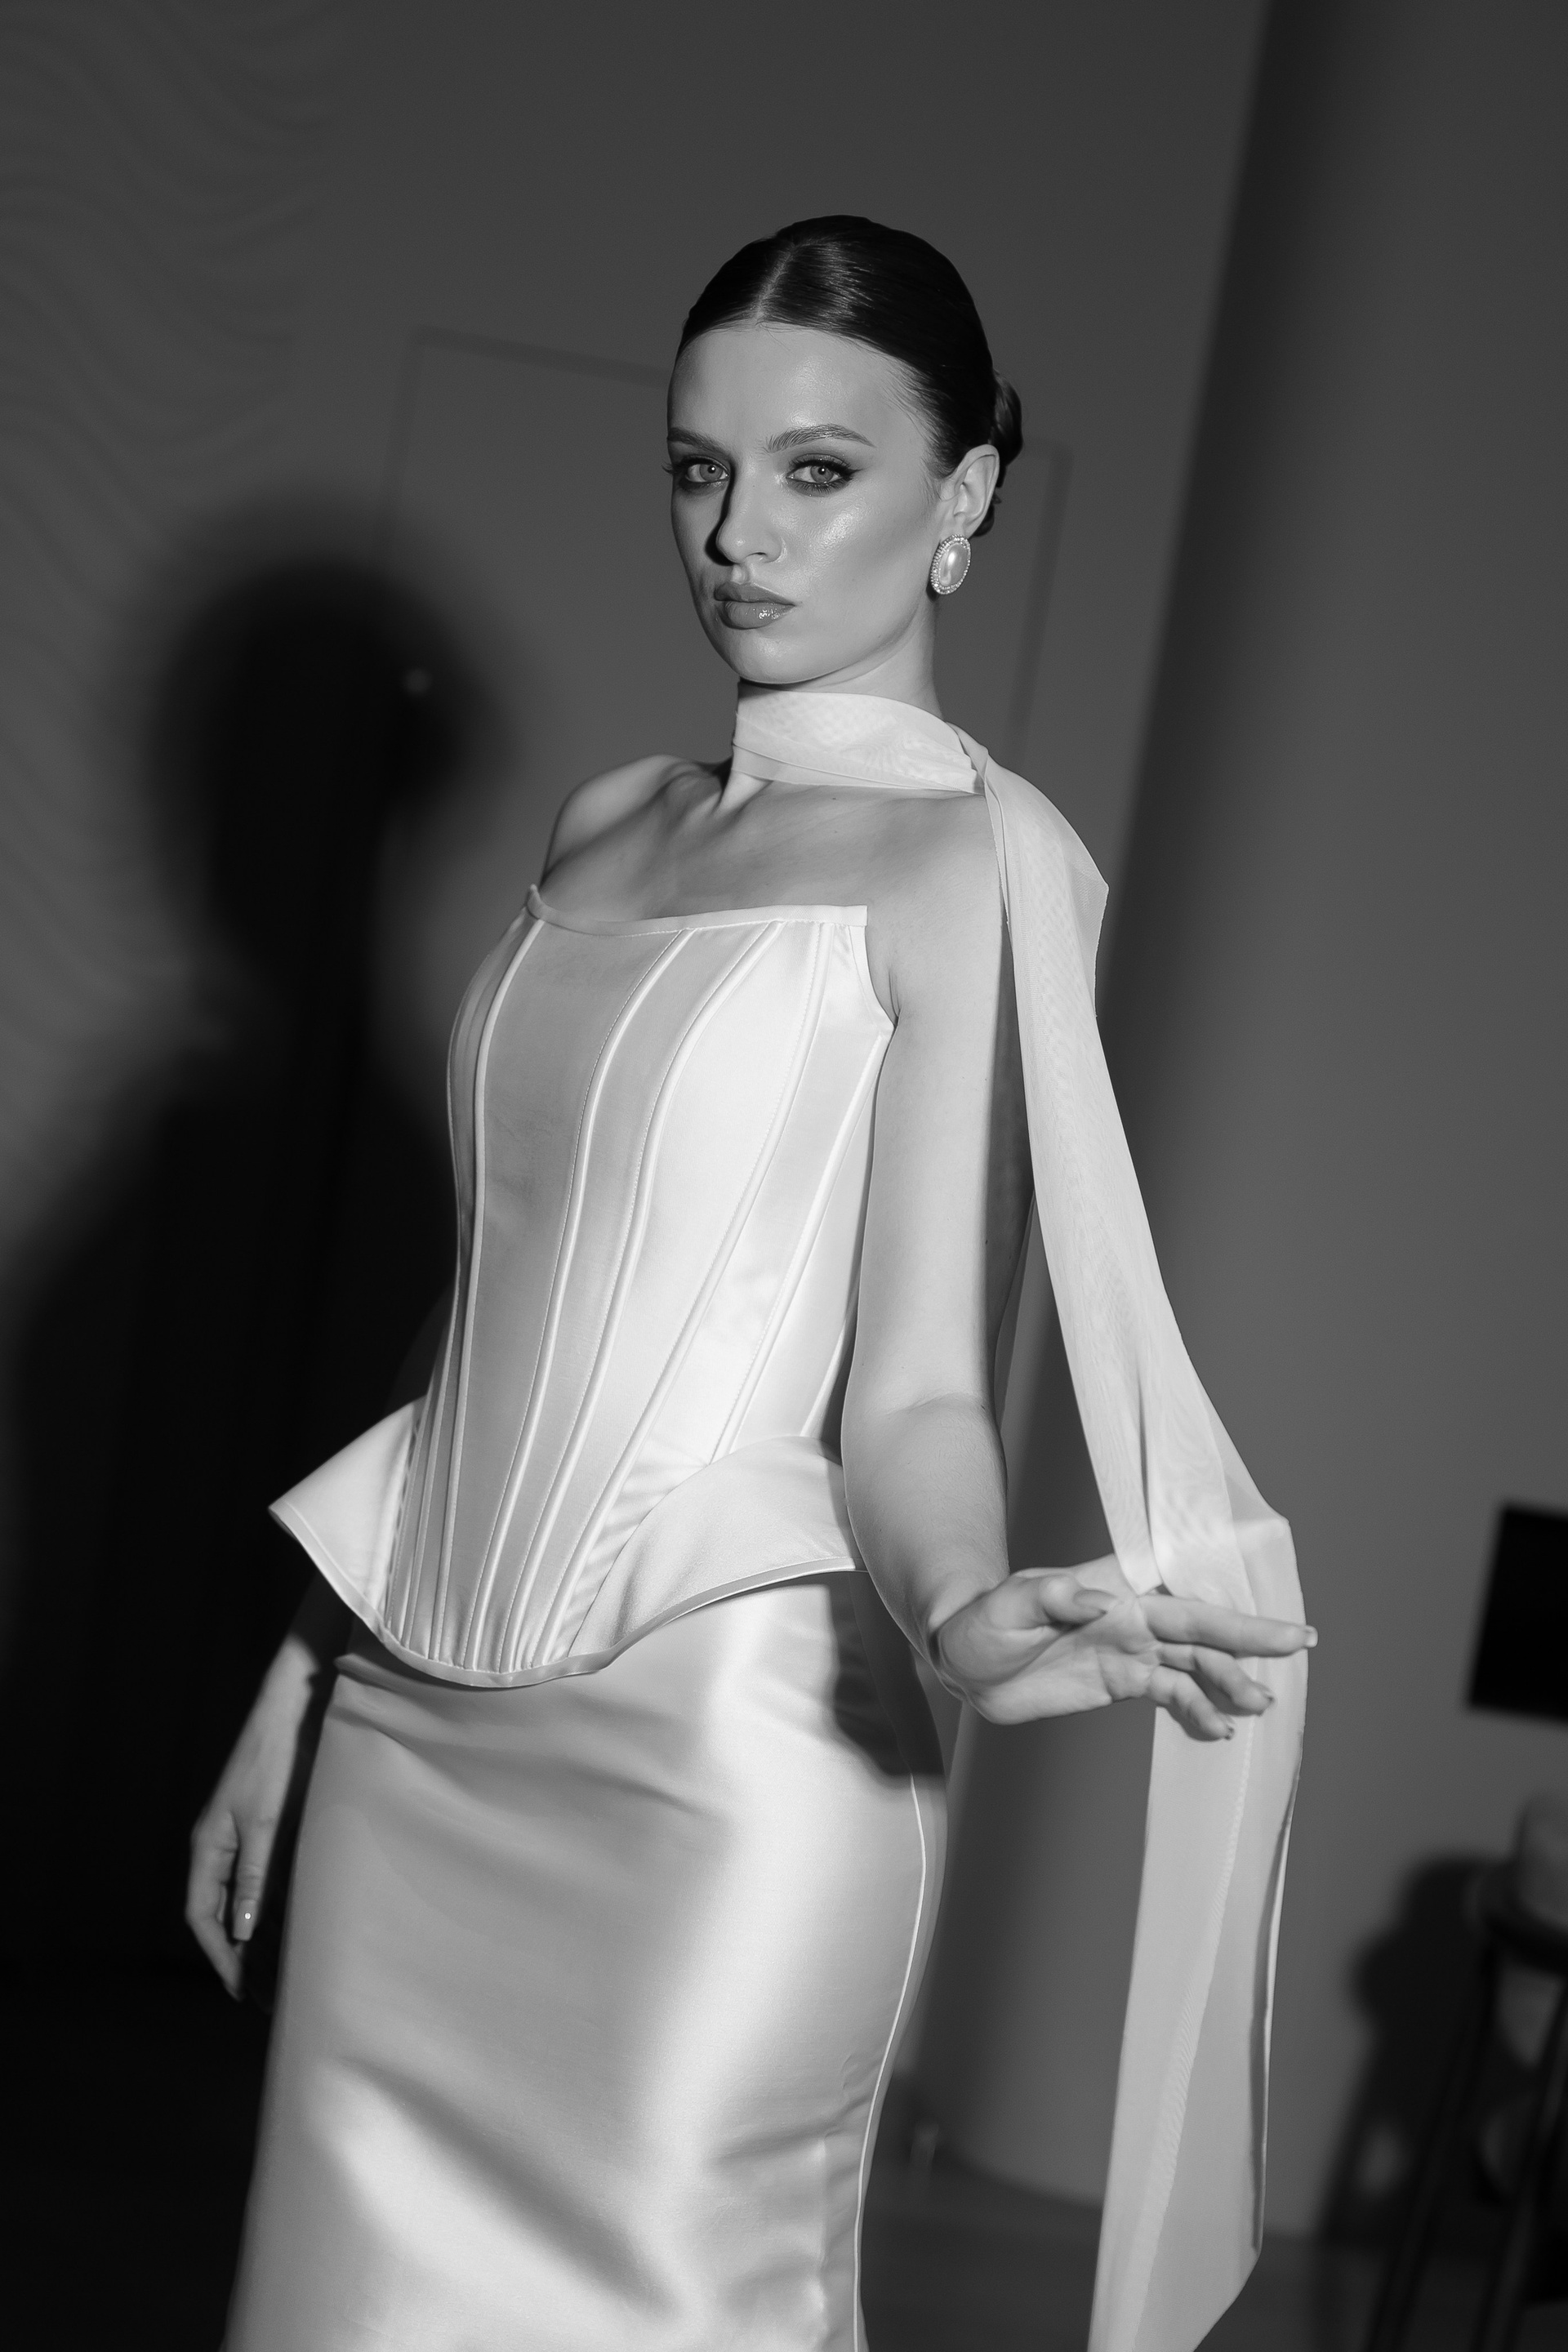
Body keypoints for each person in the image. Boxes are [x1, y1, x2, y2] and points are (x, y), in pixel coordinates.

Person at [189, 216, 1312, 2352]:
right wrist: (303, 1674)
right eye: (700, 469)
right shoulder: (607, 824)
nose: (737, 533)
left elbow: (918, 1384)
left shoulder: (975, 864)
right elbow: (489, 1308)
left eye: (818, 471)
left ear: (963, 495)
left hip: (725, 1760)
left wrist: (967, 1609)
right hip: (411, 1729)